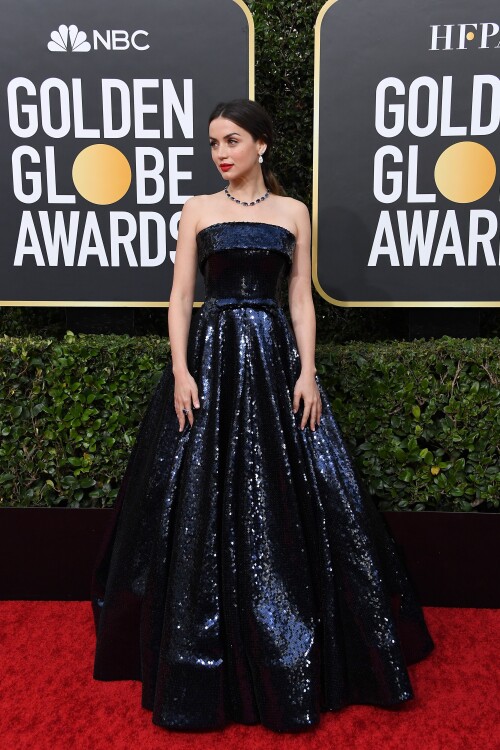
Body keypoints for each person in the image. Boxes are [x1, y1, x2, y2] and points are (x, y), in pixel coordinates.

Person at [91, 98, 434, 733]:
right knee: (195, 497)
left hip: (275, 357)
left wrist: (307, 371)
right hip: (211, 359)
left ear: (262, 145)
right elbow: (180, 297)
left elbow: (300, 299)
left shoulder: (292, 213)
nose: (221, 153)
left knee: (295, 497)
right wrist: (181, 371)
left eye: (231, 141)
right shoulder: (197, 209)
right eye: (214, 143)